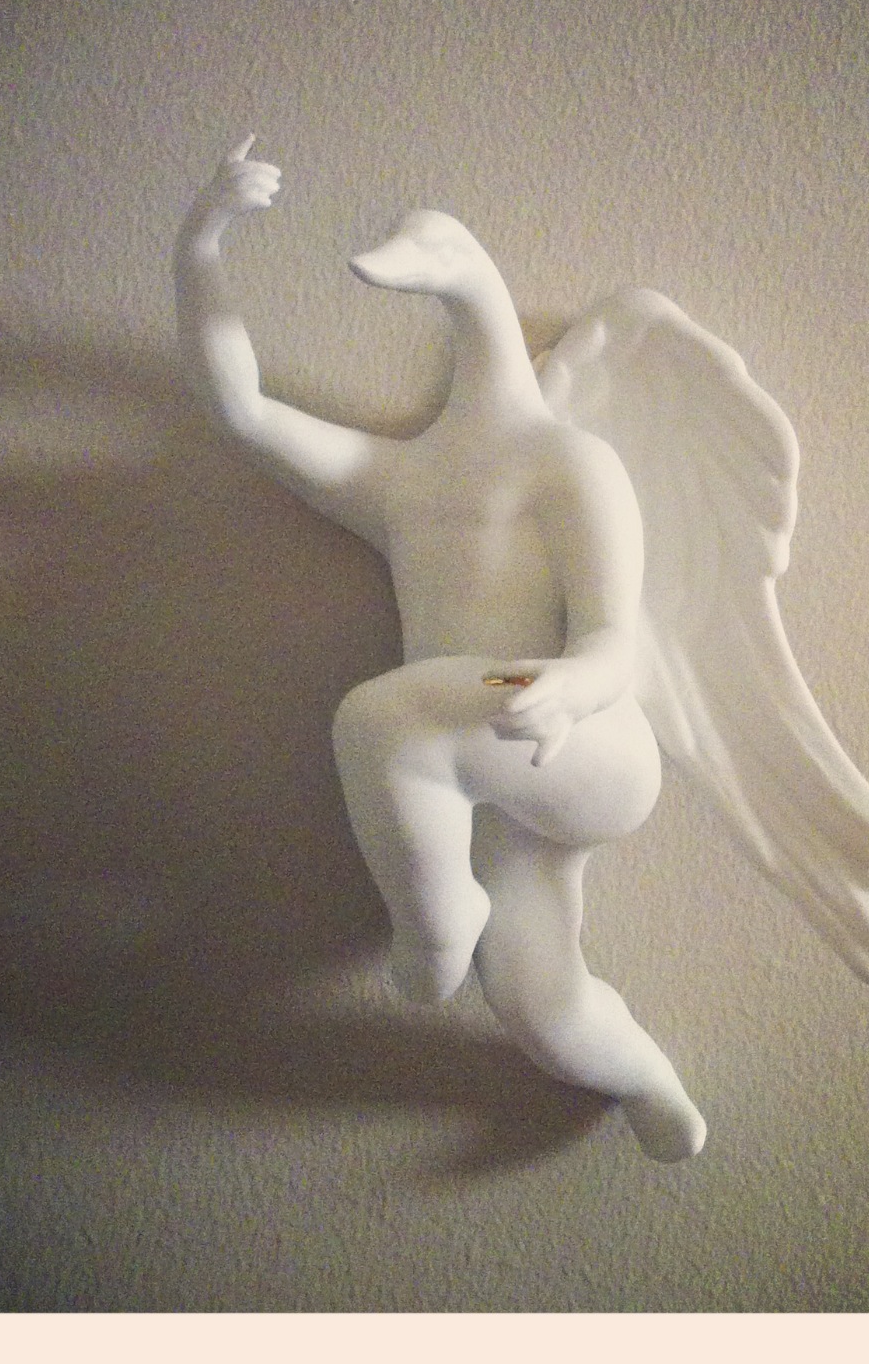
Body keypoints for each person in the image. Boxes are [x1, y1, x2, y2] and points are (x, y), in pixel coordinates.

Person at [174, 136, 705, 1159]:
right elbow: (240, 410)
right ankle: (647, 1077)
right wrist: (200, 246)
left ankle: (433, 919)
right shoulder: (400, 482)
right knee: (535, 999)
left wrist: (566, 687)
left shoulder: (570, 462)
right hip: (468, 757)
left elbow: (615, 645)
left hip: (561, 714)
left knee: (385, 708)